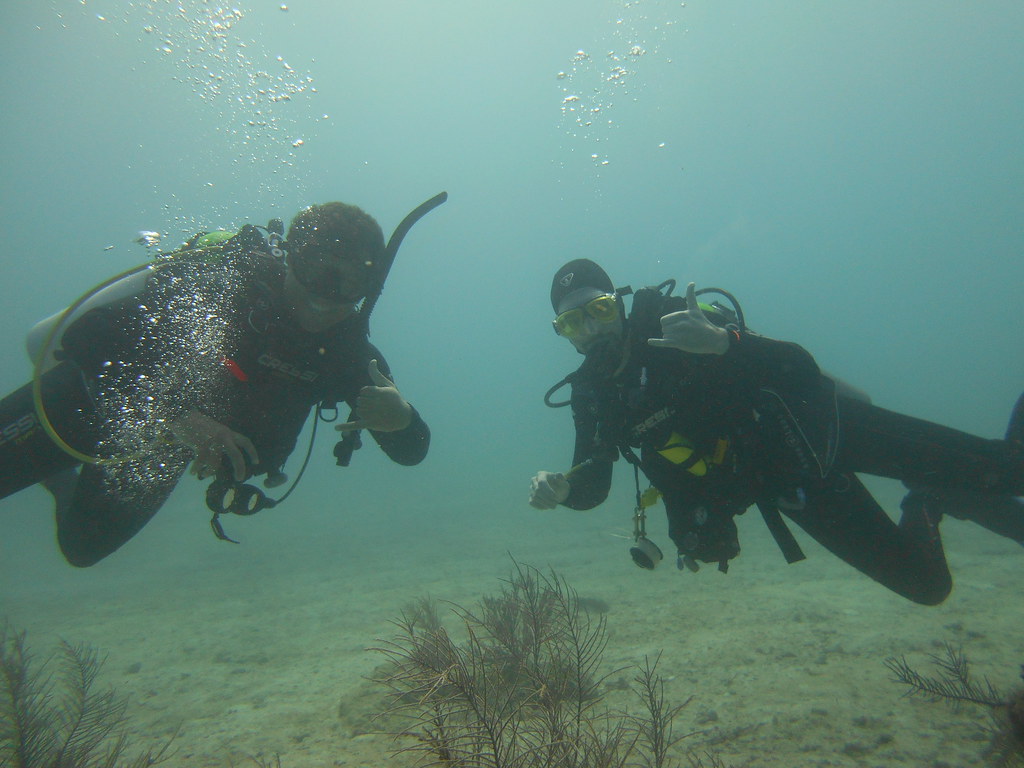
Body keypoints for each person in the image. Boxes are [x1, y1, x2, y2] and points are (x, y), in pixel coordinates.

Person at [529, 259, 1024, 605]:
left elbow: (800, 369)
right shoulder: (593, 395)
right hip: (789, 485)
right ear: (562, 333)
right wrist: (565, 489)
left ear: (619, 304)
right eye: (573, 323)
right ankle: (927, 500)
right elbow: (593, 477)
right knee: (927, 587)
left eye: (598, 311)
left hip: (828, 427)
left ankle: (965, 484)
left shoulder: (675, 322)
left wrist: (726, 343)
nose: (592, 331)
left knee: (1010, 470)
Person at [0, 199, 440, 566]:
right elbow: (87, 337)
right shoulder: (227, 286)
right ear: (289, 256)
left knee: (82, 548)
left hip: (154, 448)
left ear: (371, 285)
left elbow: (412, 451)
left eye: (351, 282)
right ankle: (56, 456)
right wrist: (176, 415)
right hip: (88, 398)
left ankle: (59, 480)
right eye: (318, 270)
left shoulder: (348, 354)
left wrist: (400, 420)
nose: (327, 295)